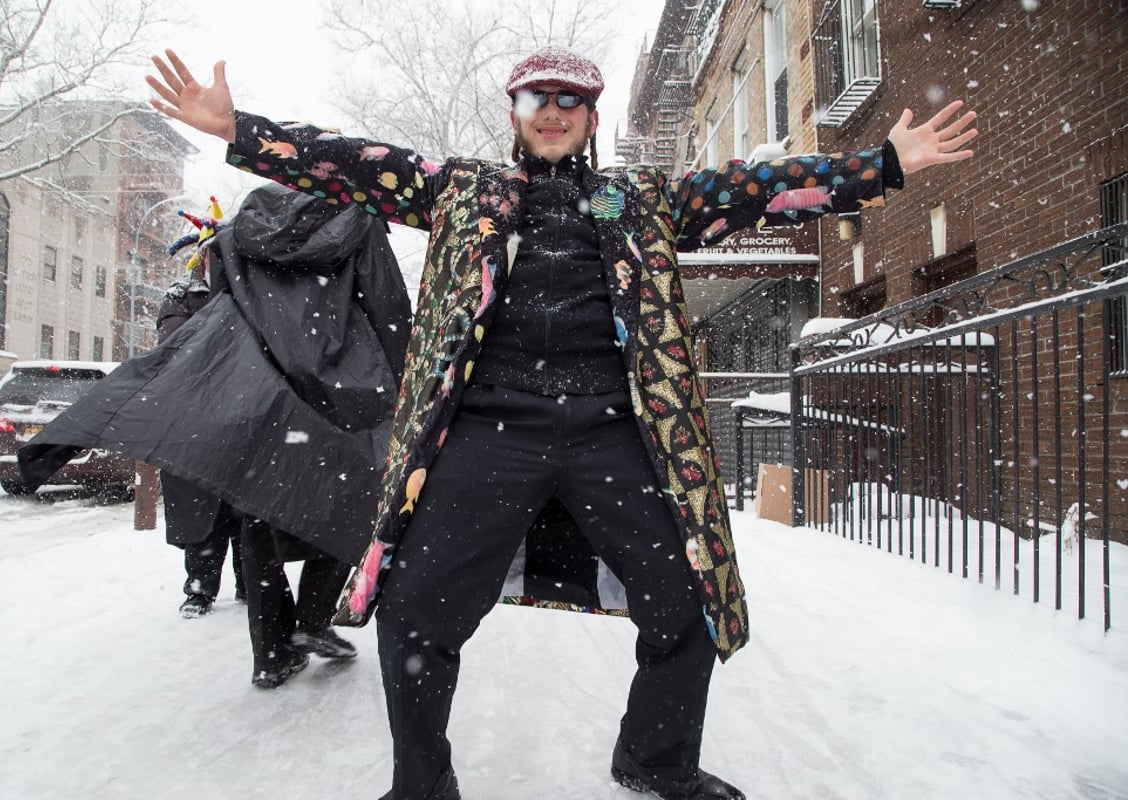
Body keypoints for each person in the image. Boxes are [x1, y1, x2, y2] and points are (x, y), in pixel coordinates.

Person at [147, 44, 977, 800]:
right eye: (536, 97)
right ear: (514, 111)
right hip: (485, 430)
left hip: (612, 430)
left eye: (570, 100)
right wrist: (240, 131)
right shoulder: (462, 190)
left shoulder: (641, 200)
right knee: (414, 613)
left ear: (590, 117)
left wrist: (883, 166)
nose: (552, 110)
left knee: (690, 599)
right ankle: (421, 785)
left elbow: (759, 192)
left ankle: (654, 759)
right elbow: (352, 165)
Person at [18, 182, 412, 689]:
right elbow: (389, 309)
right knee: (352, 496)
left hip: (263, 390)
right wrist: (406, 380)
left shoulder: (239, 232)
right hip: (345, 388)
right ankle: (313, 619)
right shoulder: (357, 220)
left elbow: (223, 316)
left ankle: (272, 652)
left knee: (257, 513)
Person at [155, 255, 246, 618]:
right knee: (201, 512)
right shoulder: (181, 296)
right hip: (195, 423)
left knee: (247, 511)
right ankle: (199, 589)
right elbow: (179, 345)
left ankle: (250, 583)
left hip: (243, 419)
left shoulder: (249, 288)